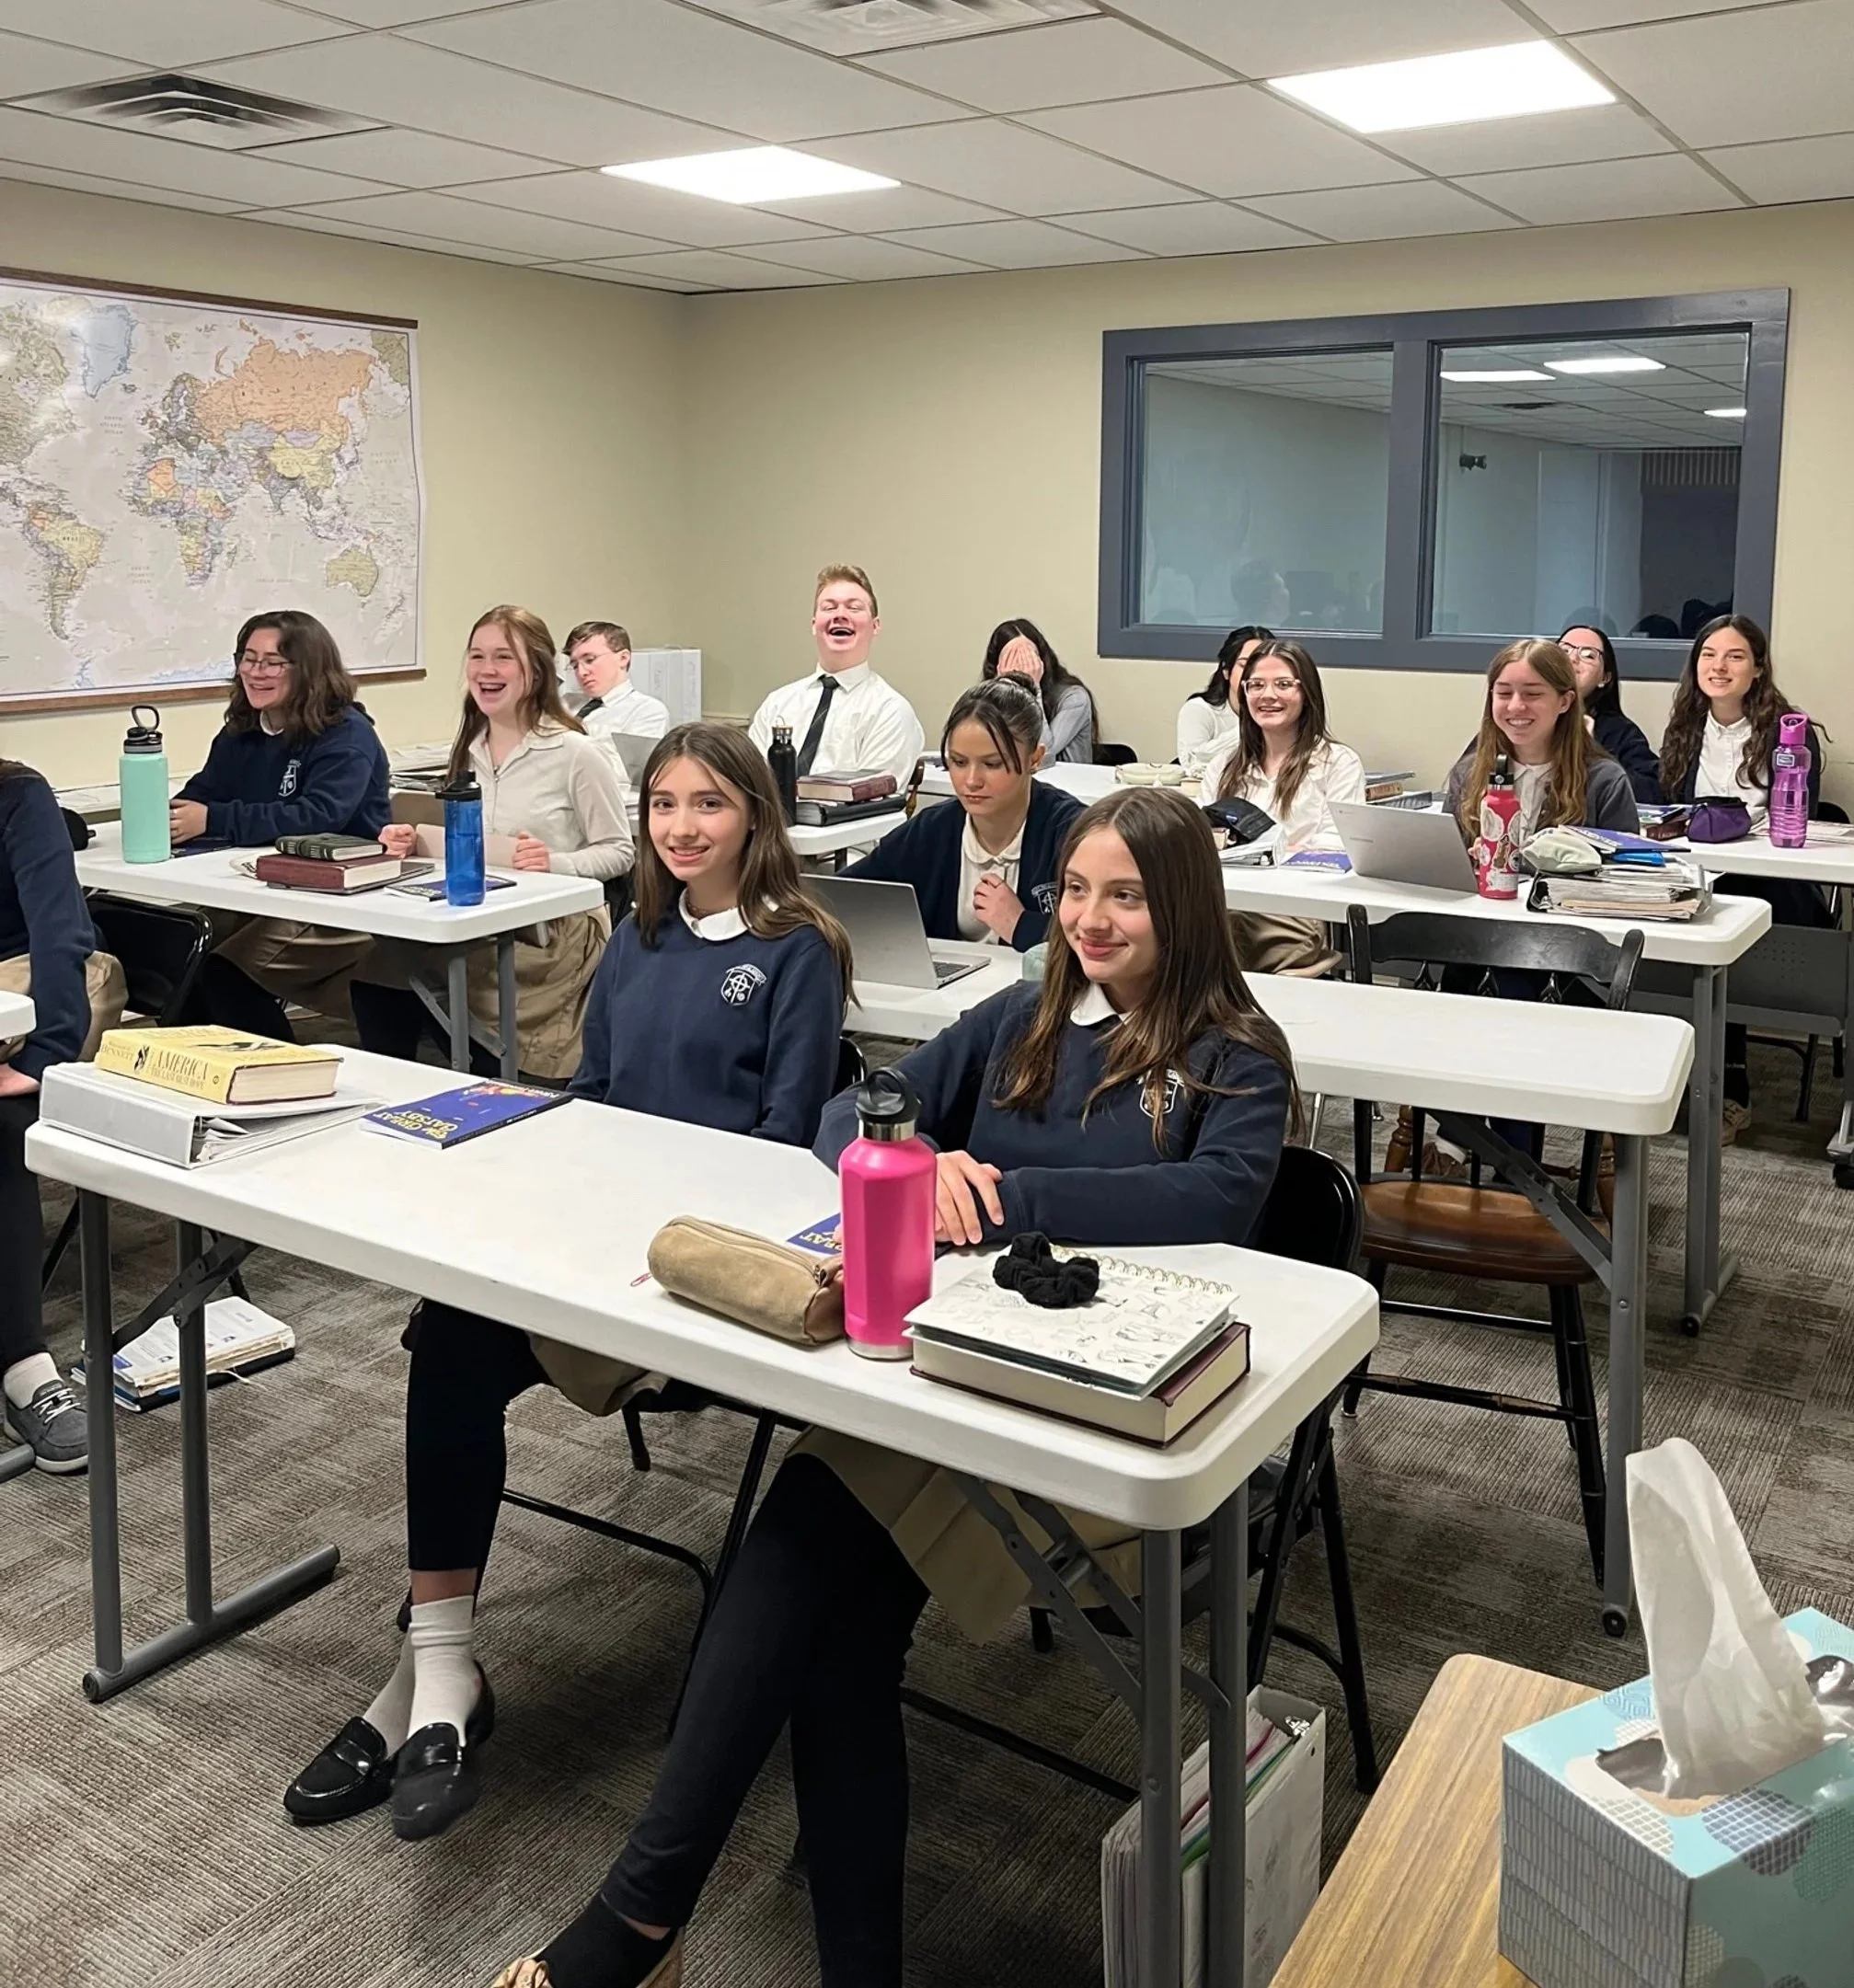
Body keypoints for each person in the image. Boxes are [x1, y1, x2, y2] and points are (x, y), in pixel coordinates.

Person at [496, 787, 1293, 1988]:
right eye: (1073, 888)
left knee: (809, 1539)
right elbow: (837, 1118)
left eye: (1122, 893)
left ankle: (636, 1926)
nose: (1089, 916)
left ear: (1180, 904)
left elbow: (1216, 1202)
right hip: (947, 1389)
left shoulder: (1233, 1056)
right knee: (835, 1621)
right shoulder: (1020, 1016)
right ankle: (726, 1944)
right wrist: (913, 1161)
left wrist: (1004, 1198)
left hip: (1105, 1432)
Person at [285, 725, 849, 1846]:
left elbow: (783, 1151)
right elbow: (590, 1094)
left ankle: (422, 1689)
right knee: (447, 1334)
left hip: (696, 1285)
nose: (682, 828)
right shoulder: (633, 937)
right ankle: (440, 1676)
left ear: (753, 816)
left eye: (709, 805)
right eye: (663, 805)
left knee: (455, 1339)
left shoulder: (799, 949)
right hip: (590, 1249)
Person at [350, 607, 632, 1082]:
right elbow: (468, 838)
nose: (487, 669)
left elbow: (620, 852)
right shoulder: (468, 748)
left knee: (440, 984)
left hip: (550, 936)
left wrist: (554, 861)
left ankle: (490, 1082)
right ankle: (397, 1094)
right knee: (378, 973)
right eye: (477, 656)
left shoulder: (576, 752)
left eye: (504, 657)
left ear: (536, 670)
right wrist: (412, 839)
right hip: (477, 919)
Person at [170, 610, 391, 1039]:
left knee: (224, 973)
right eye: (247, 659)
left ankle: (283, 1075)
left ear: (307, 669)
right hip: (262, 889)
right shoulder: (244, 729)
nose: (255, 672)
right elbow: (205, 790)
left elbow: (320, 816)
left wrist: (214, 819)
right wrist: (175, 814)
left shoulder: (346, 733)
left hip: (338, 899)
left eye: (272, 662)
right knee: (181, 959)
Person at [1660, 614, 1831, 1139]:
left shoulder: (1789, 731)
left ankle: (1730, 1090)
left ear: (1757, 669)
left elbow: (1798, 821)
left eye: (1734, 656)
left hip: (1769, 886)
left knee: (1722, 919)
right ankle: (1672, 1080)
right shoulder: (1686, 726)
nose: (1719, 666)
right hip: (1699, 876)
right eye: (1709, 655)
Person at [0, 761, 126, 1474]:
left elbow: (59, 934)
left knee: (3, 1126)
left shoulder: (18, 795)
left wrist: (45, 1054)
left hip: (23, 1005)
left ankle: (24, 1368)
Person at [844, 679, 1081, 952]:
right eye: (958, 762)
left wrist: (1022, 924)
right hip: (949, 992)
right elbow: (843, 895)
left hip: (1037, 992)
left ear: (1035, 759)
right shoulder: (930, 831)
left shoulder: (1073, 833)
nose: (971, 780)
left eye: (992, 764)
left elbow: (1110, 934)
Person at [1203, 638, 1365, 975]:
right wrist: (1292, 847)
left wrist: (1267, 852)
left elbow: (1337, 849)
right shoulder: (1223, 767)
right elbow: (1201, 841)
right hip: (1226, 902)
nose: (1268, 696)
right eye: (1256, 685)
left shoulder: (1337, 763)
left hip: (1295, 914)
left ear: (1307, 694)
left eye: (1284, 685)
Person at [1445, 638, 1639, 844]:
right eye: (1504, 693)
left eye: (1532, 694)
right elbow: (1446, 860)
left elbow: (1626, 868)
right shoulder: (1468, 774)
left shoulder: (1605, 781)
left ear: (1564, 702)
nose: (1515, 706)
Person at [747, 566, 924, 788]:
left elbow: (872, 802)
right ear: (814, 625)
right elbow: (749, 784)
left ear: (875, 626)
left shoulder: (891, 711)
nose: (840, 615)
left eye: (854, 607)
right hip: (769, 823)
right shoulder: (777, 704)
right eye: (829, 608)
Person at [1559, 623, 1660, 803]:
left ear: (1604, 678)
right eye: (1564, 651)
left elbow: (1651, 790)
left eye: (1588, 655)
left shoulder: (1620, 732)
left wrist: (1593, 759)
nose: (1573, 659)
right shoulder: (1528, 716)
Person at [981, 618, 1096, 765]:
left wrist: (1031, 688)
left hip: (1065, 784)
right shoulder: (987, 694)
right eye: (1012, 658)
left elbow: (1044, 756)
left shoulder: (1075, 698)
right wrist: (1004, 689)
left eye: (1028, 657)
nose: (1021, 666)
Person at [1175, 623, 1272, 777]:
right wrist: (1250, 727)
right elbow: (1192, 764)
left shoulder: (1283, 709)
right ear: (1226, 670)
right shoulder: (1199, 709)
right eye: (1245, 664)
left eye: (1264, 665)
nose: (1254, 674)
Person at [565, 621, 669, 741]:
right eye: (575, 666)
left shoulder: (647, 711)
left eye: (590, 660)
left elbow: (629, 760)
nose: (581, 672)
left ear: (623, 658)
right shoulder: (565, 703)